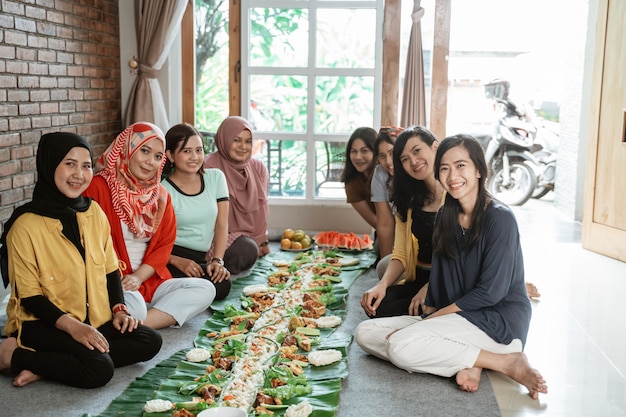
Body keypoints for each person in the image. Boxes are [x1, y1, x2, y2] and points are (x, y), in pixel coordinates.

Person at [355, 134, 548, 399]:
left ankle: (507, 361)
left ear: (479, 170)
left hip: (498, 322)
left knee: (400, 345)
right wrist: (428, 316)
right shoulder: (447, 214)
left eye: (461, 166)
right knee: (365, 333)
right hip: (457, 318)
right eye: (444, 168)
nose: (452, 175)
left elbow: (490, 293)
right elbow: (442, 275)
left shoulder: (501, 219)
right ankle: (473, 360)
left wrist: (425, 324)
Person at [0, 132, 161, 388]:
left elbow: (110, 270)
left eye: (86, 166)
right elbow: (30, 296)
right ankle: (12, 355)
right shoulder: (24, 225)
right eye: (69, 164)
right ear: (49, 164)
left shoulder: (93, 211)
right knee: (99, 369)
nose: (79, 174)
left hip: (94, 318)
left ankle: (45, 365)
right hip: (44, 323)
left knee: (150, 341)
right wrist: (74, 328)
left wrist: (119, 309)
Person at [84, 122, 216, 330]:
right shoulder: (99, 187)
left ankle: (137, 326)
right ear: (127, 149)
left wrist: (138, 277)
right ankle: (134, 320)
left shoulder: (160, 196)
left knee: (206, 289)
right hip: (113, 281)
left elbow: (164, 246)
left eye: (157, 156)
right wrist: (124, 280)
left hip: (148, 280)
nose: (150, 162)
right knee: (133, 307)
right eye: (144, 151)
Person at [361, 126, 443, 318]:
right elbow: (401, 253)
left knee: (423, 308)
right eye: (404, 159)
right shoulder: (408, 200)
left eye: (417, 151)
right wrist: (381, 285)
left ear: (435, 147)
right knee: (377, 306)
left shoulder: (454, 194)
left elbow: (462, 260)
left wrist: (430, 288)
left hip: (447, 282)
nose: (413, 162)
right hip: (417, 278)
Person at [162, 123, 231, 300]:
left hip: (201, 258)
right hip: (170, 257)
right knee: (187, 286)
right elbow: (150, 240)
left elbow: (222, 224)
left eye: (199, 150)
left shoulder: (216, 177)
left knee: (222, 285)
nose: (195, 157)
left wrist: (217, 261)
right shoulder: (163, 189)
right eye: (186, 151)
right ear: (170, 155)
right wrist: (176, 260)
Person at [204, 116, 269, 273]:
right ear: (224, 139)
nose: (243, 147)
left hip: (248, 238)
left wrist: (263, 241)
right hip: (216, 237)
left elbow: (263, 210)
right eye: (237, 140)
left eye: (247, 142)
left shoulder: (258, 167)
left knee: (248, 249)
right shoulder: (208, 166)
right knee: (245, 251)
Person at [371, 126, 403, 274]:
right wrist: (387, 271)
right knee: (381, 258)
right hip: (398, 230)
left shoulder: (416, 170)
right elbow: (384, 223)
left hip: (420, 234)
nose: (389, 162)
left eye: (392, 153)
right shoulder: (380, 173)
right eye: (382, 156)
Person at [341, 127, 378, 231]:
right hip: (384, 229)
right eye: (354, 151)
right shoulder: (352, 184)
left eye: (364, 151)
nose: (358, 157)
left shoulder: (387, 173)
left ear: (376, 152)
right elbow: (376, 223)